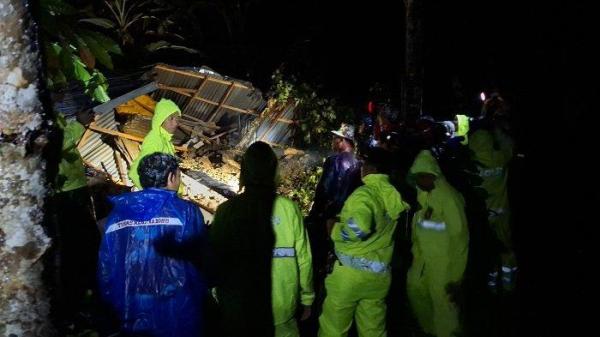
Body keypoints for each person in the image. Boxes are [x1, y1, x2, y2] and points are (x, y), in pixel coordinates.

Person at [98, 153, 207, 337]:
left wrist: (111, 310)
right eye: (179, 175)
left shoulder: (117, 215)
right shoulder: (186, 212)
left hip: (130, 311)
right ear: (171, 177)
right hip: (178, 312)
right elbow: (200, 261)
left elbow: (105, 268)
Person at [318, 147, 409, 337]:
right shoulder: (392, 196)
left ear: (372, 168)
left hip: (350, 277)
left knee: (334, 330)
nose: (361, 167)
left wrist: (334, 229)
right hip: (378, 279)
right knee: (373, 330)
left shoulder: (365, 194)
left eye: (364, 164)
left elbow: (359, 227)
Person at [209, 141, 278, 337]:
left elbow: (213, 258)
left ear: (244, 171)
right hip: (273, 303)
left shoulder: (226, 210)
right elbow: (303, 258)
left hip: (235, 304)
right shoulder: (288, 210)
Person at [406, 149, 469, 337]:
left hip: (445, 266)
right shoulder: (422, 197)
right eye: (418, 176)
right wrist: (416, 257)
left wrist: (457, 277)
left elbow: (460, 238)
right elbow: (418, 232)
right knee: (416, 293)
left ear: (434, 175)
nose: (420, 180)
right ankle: (430, 331)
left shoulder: (449, 198)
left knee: (445, 308)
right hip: (422, 264)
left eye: (424, 176)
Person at [50, 108, 100, 331]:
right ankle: (76, 308)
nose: (60, 94)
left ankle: (85, 300)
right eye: (57, 88)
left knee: (86, 246)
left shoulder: (54, 112)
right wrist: (79, 124)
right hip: (65, 193)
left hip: (74, 189)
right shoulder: (37, 115)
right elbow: (56, 144)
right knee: (77, 249)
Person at [468, 92, 516, 291]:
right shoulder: (503, 152)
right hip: (501, 209)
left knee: (486, 248)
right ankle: (509, 286)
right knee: (505, 246)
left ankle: (489, 285)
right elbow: (509, 145)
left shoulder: (474, 148)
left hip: (482, 210)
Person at [307, 123, 362, 280]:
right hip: (347, 218)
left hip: (328, 217)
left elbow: (324, 189)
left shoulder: (334, 161)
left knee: (319, 256)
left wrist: (316, 214)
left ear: (343, 141)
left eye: (335, 138)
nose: (332, 141)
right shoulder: (359, 163)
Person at [128, 98, 182, 190]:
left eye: (177, 120)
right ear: (162, 118)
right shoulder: (155, 140)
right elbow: (134, 172)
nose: (176, 123)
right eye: (173, 119)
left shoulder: (165, 139)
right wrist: (154, 196)